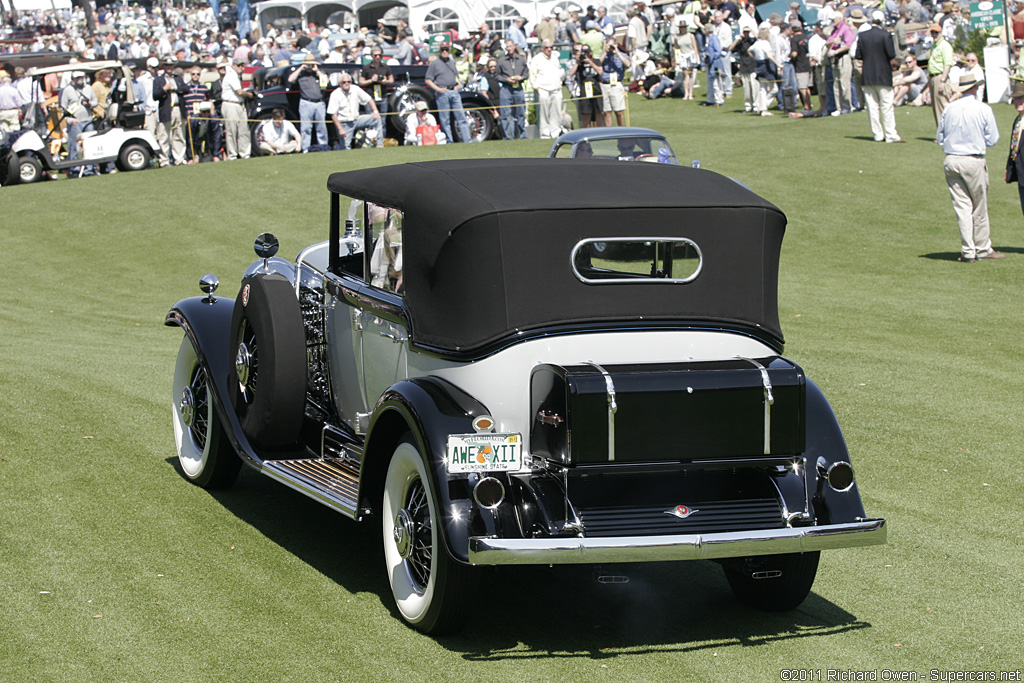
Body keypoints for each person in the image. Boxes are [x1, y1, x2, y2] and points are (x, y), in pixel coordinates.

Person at [936, 73, 1002, 262]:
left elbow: (940, 137)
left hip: (951, 159)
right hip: (972, 159)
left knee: (962, 206)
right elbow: (993, 139)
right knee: (979, 206)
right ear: (975, 88)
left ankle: (968, 251)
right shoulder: (983, 109)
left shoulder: (949, 108)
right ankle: (982, 248)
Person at [855, 11, 902, 143]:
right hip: (883, 75)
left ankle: (878, 134)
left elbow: (858, 55)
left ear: (871, 20)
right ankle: (890, 134)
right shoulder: (885, 35)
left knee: (872, 107)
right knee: (886, 106)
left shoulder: (863, 36)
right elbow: (891, 54)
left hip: (868, 74)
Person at [425, 43, 472, 143]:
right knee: (444, 119)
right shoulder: (435, 63)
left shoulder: (451, 62)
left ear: (449, 51)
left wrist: (459, 85)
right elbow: (428, 80)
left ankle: (467, 140)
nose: (444, 52)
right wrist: (438, 89)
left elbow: (457, 76)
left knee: (461, 117)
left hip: (454, 92)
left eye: (446, 49)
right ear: (440, 51)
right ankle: (448, 140)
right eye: (442, 50)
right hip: (443, 92)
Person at [327, 71, 383, 149]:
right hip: (344, 123)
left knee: (377, 118)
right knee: (346, 148)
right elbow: (333, 114)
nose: (346, 83)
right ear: (340, 83)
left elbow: (369, 99)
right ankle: (337, 147)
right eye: (344, 82)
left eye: (349, 82)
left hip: (357, 119)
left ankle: (379, 144)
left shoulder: (355, 89)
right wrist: (340, 129)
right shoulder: (335, 94)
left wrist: (375, 111)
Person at [59, 71, 99, 175]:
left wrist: (90, 104)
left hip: (88, 120)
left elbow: (95, 101)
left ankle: (90, 168)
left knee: (90, 144)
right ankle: (74, 168)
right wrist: (70, 120)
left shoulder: (88, 88)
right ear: (73, 79)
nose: (80, 79)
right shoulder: (67, 90)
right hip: (75, 121)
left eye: (81, 77)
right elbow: (63, 107)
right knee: (73, 146)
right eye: (77, 78)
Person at [288, 54, 328, 152]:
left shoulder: (320, 73)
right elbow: (291, 79)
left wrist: (317, 71)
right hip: (306, 102)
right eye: (309, 64)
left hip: (319, 103)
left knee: (321, 127)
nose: (310, 66)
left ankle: (323, 146)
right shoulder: (301, 75)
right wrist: (301, 68)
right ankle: (305, 148)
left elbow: (326, 82)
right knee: (306, 128)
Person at [153, 61, 189, 165]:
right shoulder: (158, 80)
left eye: (170, 65)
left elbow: (186, 89)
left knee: (179, 134)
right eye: (166, 65)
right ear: (163, 66)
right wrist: (165, 89)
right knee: (164, 135)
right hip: (166, 109)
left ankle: (180, 159)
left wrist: (175, 88)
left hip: (178, 108)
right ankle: (164, 160)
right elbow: (155, 95)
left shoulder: (178, 78)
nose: (169, 67)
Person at [529, 39, 564, 139]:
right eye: (547, 48)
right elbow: (532, 74)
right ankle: (545, 134)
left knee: (556, 111)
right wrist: (537, 87)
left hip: (556, 88)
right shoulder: (537, 59)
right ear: (542, 48)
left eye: (551, 47)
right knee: (544, 113)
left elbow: (559, 71)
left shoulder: (554, 58)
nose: (549, 49)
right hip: (543, 88)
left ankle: (555, 132)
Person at [221, 58, 253, 159]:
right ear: (233, 66)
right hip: (230, 104)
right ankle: (232, 155)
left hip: (239, 104)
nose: (241, 68)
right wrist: (249, 94)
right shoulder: (231, 75)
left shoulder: (237, 76)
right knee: (232, 131)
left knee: (243, 130)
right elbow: (239, 92)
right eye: (239, 65)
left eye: (242, 65)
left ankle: (245, 154)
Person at [496, 38, 528, 139]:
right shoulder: (501, 61)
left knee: (520, 113)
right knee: (506, 114)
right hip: (506, 89)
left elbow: (527, 73)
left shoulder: (521, 59)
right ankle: (508, 137)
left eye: (510, 46)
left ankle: (522, 136)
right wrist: (506, 79)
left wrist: (521, 77)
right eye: (507, 47)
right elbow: (497, 76)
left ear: (514, 46)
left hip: (518, 88)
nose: (509, 48)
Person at [826, 12, 855, 115]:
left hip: (843, 57)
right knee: (836, 84)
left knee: (844, 83)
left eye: (834, 19)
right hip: (835, 59)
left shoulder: (846, 29)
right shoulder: (834, 30)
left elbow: (848, 44)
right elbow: (828, 42)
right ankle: (839, 107)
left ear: (839, 19)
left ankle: (847, 106)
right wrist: (833, 41)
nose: (832, 21)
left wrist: (836, 51)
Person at [568, 44, 603, 127]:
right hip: (585, 89)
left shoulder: (596, 60)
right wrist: (578, 62)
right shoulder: (580, 64)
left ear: (590, 52)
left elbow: (600, 71)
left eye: (587, 52)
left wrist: (590, 62)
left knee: (598, 111)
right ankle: (587, 130)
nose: (585, 54)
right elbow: (570, 73)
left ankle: (598, 130)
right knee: (586, 113)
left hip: (596, 88)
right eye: (583, 53)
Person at [927, 22, 954, 125]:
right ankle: (941, 131)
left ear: (941, 33)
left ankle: (947, 131)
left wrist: (943, 80)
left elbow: (947, 64)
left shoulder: (945, 46)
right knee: (936, 107)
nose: (934, 35)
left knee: (943, 105)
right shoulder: (934, 46)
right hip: (933, 77)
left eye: (936, 33)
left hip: (940, 76)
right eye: (932, 33)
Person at [599, 37, 630, 126]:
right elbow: (599, 62)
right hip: (605, 84)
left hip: (616, 84)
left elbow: (628, 64)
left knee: (619, 111)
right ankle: (610, 131)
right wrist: (605, 52)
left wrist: (617, 53)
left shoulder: (622, 54)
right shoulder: (604, 55)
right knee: (607, 111)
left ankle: (622, 129)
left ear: (616, 45)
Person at [1004, 80, 1024, 218]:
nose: (1018, 102)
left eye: (1021, 98)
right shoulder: (1018, 120)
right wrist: (1009, 167)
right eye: (1015, 99)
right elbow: (1014, 146)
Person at [359, 46, 394, 116]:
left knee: (383, 119)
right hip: (370, 96)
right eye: (375, 55)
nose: (378, 57)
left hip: (383, 96)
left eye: (380, 55)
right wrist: (371, 80)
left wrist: (385, 81)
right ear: (372, 56)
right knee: (371, 118)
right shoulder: (366, 68)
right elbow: (361, 82)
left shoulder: (385, 67)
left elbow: (392, 80)